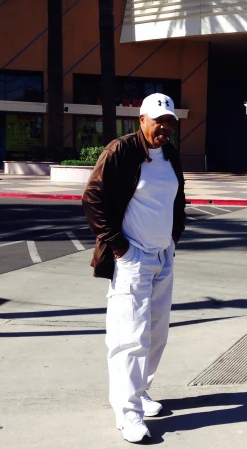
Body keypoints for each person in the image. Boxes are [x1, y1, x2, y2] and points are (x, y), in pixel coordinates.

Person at [82, 93, 186, 444]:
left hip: (162, 257)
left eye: (169, 121)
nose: (164, 127)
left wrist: (174, 237)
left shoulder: (170, 154)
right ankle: (127, 415)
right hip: (134, 259)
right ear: (141, 119)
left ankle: (141, 393)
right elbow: (92, 198)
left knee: (156, 334)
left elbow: (177, 198)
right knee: (130, 338)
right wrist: (119, 246)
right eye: (158, 120)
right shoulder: (120, 151)